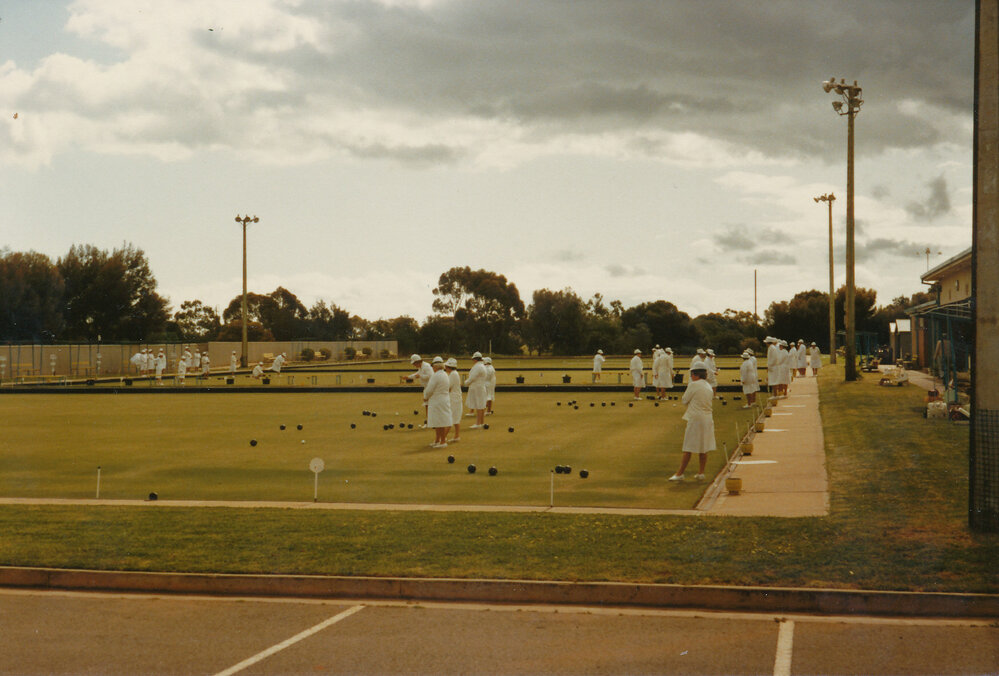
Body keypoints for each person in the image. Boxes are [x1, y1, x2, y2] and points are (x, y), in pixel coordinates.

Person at [669, 363, 716, 481]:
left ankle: (679, 474)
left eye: (691, 374)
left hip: (696, 418)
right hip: (708, 418)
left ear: (695, 374)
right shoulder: (708, 385)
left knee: (688, 446)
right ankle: (701, 473)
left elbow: (684, 400)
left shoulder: (693, 385)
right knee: (703, 446)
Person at [423, 356, 452, 448]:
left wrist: (425, 397)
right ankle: (437, 440)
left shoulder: (435, 376)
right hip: (443, 399)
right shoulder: (444, 374)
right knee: (438, 421)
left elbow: (429, 389)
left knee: (440, 421)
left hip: (437, 400)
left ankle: (442, 442)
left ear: (435, 366)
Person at [407, 354, 434, 425]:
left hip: (431, 388)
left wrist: (420, 376)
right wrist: (409, 377)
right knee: (427, 404)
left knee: (430, 404)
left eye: (414, 363)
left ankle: (431, 421)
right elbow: (417, 374)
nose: (414, 365)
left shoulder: (426, 366)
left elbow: (430, 376)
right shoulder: (421, 367)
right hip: (426, 388)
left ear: (418, 362)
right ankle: (429, 420)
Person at [465, 351, 488, 428]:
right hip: (480, 387)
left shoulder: (478, 367)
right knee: (481, 405)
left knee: (479, 405)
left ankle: (478, 423)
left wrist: (466, 383)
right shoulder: (482, 366)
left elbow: (472, 377)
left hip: (477, 387)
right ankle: (481, 422)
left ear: (475, 359)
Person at [444, 357, 463, 443]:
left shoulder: (453, 374)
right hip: (456, 398)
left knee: (450, 418)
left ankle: (442, 438)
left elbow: (448, 387)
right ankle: (456, 436)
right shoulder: (454, 373)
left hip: (454, 398)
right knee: (456, 418)